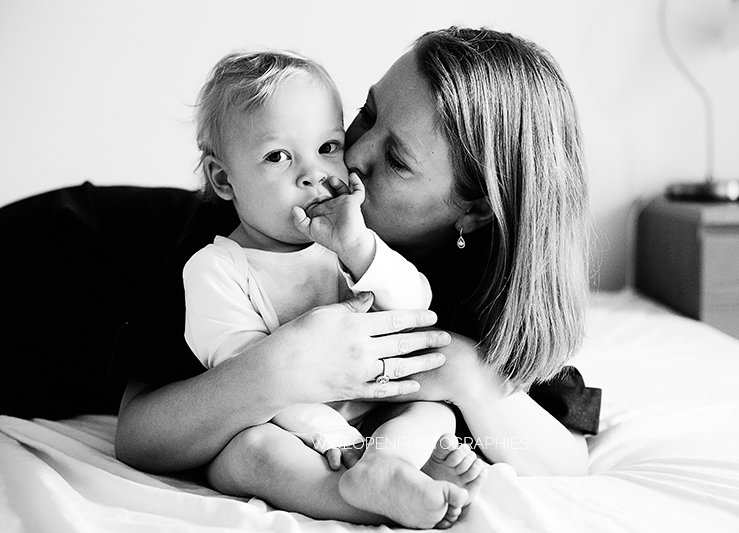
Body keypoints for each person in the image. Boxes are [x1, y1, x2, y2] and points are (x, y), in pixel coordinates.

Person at [113, 26, 600, 528]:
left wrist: (457, 367)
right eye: (366, 115)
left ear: (475, 210)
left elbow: (566, 460)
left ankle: (380, 483)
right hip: (84, 247)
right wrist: (278, 367)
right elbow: (139, 435)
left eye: (396, 160)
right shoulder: (251, 223)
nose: (351, 156)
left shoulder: (493, 283)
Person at [182, 48, 485, 528]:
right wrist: (331, 435)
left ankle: (387, 467)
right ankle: (355, 495)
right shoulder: (216, 269)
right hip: (286, 425)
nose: (314, 174)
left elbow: (417, 304)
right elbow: (250, 375)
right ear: (223, 178)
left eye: (328, 147)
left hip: (371, 411)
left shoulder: (348, 239)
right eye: (278, 157)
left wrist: (359, 248)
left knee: (434, 413)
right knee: (249, 452)